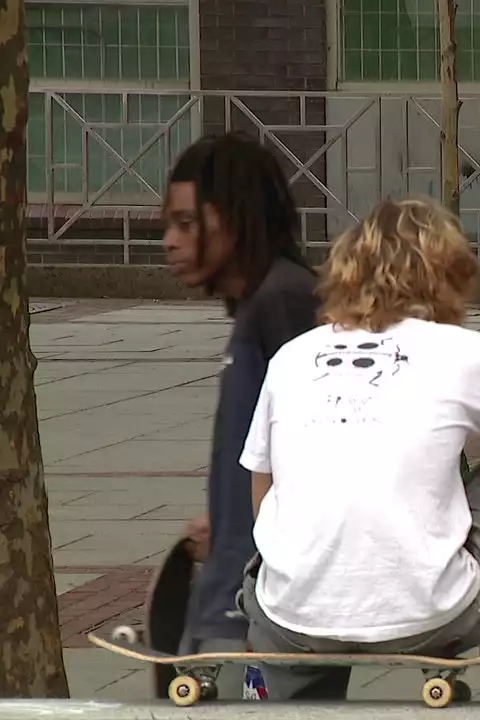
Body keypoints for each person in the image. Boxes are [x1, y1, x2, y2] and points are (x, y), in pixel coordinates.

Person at [235, 197, 480, 703]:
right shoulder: (467, 354)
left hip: (291, 617)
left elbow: (262, 495)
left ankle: (281, 689)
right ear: (448, 275)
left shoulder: (291, 357)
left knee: (289, 551)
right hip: (435, 612)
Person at [161, 131, 322, 698]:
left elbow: (326, 449)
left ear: (232, 218)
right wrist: (227, 519)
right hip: (239, 602)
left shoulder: (285, 302)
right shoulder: (264, 304)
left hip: (252, 619)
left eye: (186, 223)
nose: (169, 242)